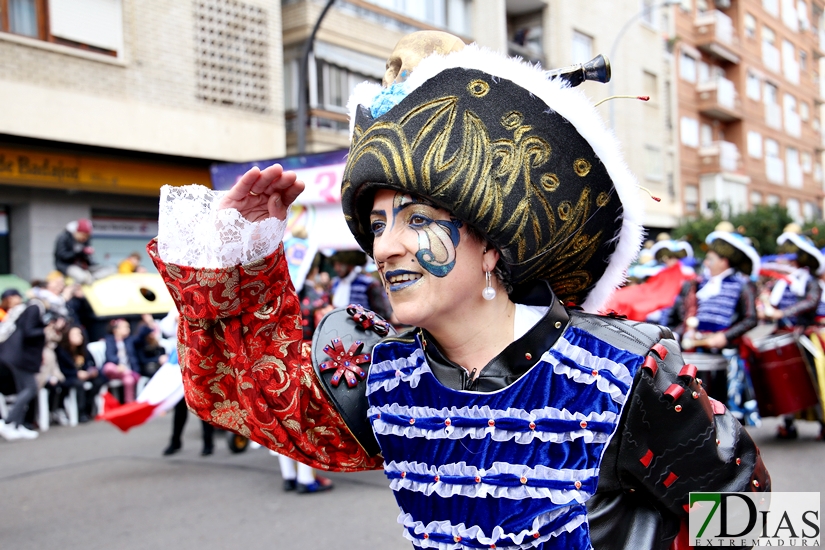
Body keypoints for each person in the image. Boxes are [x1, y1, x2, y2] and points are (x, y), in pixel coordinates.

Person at [148, 31, 768, 550]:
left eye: (417, 219)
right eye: (377, 224)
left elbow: (761, 524)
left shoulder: (623, 372)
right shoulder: (380, 374)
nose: (385, 246)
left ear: (494, 244)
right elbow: (242, 390)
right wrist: (237, 249)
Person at [668, 223, 760, 403]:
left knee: (724, 406)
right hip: (696, 348)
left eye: (710, 259)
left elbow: (751, 318)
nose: (706, 263)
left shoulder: (742, 284)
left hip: (726, 351)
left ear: (724, 261)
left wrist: (725, 336)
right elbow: (684, 315)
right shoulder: (698, 285)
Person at [762, 226, 825, 439]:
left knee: (814, 382)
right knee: (786, 381)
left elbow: (811, 302)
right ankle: (788, 423)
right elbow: (768, 307)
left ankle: (823, 422)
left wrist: (781, 312)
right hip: (783, 336)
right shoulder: (778, 283)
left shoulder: (810, 280)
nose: (780, 259)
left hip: (806, 336)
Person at [0, 290, 54, 440]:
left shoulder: (26, 309)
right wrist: (45, 329)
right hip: (20, 357)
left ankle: (17, 425)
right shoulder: (35, 307)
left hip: (15, 356)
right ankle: (7, 422)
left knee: (23, 390)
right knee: (30, 388)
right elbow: (29, 331)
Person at [56, 325, 102, 422]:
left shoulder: (83, 350)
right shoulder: (62, 351)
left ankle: (90, 408)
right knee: (79, 384)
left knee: (98, 381)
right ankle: (81, 412)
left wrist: (91, 371)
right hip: (68, 377)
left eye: (80, 334)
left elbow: (91, 363)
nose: (79, 336)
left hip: (84, 375)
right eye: (76, 334)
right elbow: (61, 369)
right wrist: (76, 373)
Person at [330, 250, 392, 321]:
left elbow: (383, 314)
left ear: (350, 264)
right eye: (335, 264)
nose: (337, 268)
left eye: (340, 265)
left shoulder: (369, 283)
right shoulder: (335, 284)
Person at [53, 219, 115, 285]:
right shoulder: (64, 237)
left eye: (87, 236)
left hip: (85, 267)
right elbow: (62, 255)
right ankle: (87, 281)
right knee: (82, 277)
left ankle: (92, 279)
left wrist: (88, 254)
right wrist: (80, 252)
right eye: (83, 235)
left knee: (112, 269)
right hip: (68, 266)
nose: (85, 237)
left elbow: (87, 256)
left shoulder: (85, 240)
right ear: (77, 232)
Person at [102, 319, 141, 403]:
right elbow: (109, 356)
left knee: (129, 380)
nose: (128, 329)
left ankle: (129, 404)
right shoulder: (110, 340)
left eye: (128, 327)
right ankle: (129, 373)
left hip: (125, 371)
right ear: (116, 330)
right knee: (108, 366)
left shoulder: (129, 341)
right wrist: (118, 364)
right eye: (125, 327)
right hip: (115, 369)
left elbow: (133, 356)